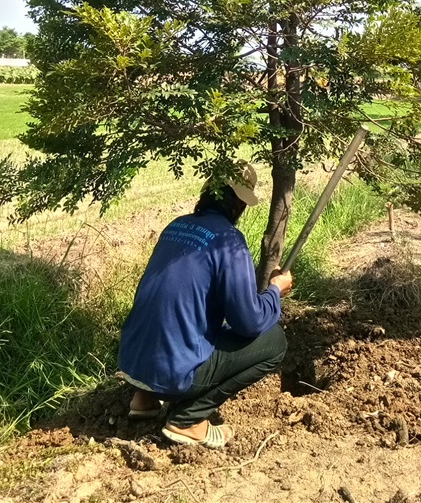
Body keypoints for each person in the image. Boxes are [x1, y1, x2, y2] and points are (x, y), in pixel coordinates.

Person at [117, 162, 293, 449]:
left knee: (190, 325)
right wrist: (275, 291)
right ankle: (188, 421)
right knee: (274, 341)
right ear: (238, 204)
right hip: (174, 373)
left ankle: (143, 397)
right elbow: (248, 322)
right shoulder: (229, 241)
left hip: (131, 362)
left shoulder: (176, 226)